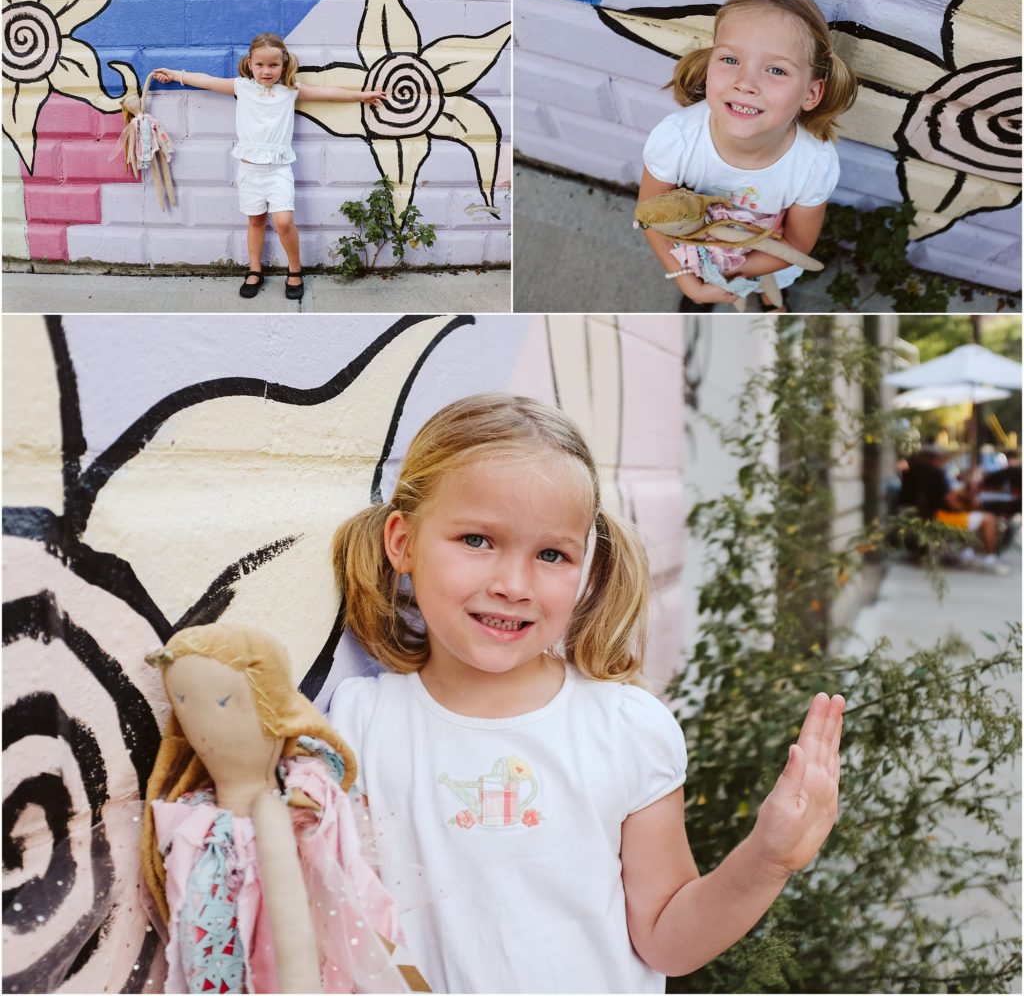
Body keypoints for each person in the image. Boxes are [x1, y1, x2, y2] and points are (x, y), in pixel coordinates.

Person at [328, 393, 845, 993]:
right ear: (402, 542)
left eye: (551, 554)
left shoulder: (624, 728)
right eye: (477, 540)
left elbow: (666, 940)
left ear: (584, 566)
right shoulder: (362, 724)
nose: (513, 584)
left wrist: (768, 859)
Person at [141, 623, 425, 994]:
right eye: (183, 703)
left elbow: (305, 926)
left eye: (223, 704)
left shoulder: (293, 800)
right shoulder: (196, 823)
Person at [638, 0, 858, 312]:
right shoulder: (677, 140)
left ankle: (770, 299)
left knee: (772, 281)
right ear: (710, 62)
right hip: (693, 248)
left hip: (767, 253)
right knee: (702, 288)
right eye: (730, 59)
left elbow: (797, 244)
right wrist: (688, 275)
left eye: (776, 70)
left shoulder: (813, 164)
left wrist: (727, 267)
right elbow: (650, 217)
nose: (745, 83)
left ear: (811, 93)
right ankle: (703, 292)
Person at [153, 33, 386, 301]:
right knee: (256, 221)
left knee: (284, 221)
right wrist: (174, 74)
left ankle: (295, 270)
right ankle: (255, 270)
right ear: (250, 63)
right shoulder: (242, 87)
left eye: (273, 65)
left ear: (284, 64)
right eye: (260, 65)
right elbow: (208, 81)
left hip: (278, 170)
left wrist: (362, 96)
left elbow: (327, 93)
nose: (266, 71)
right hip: (249, 171)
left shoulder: (290, 90)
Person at [900, 444, 1007, 573]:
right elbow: (949, 501)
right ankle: (990, 560)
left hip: (923, 516)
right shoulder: (935, 473)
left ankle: (966, 553)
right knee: (988, 519)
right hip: (940, 517)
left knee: (969, 514)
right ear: (937, 459)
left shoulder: (911, 472)